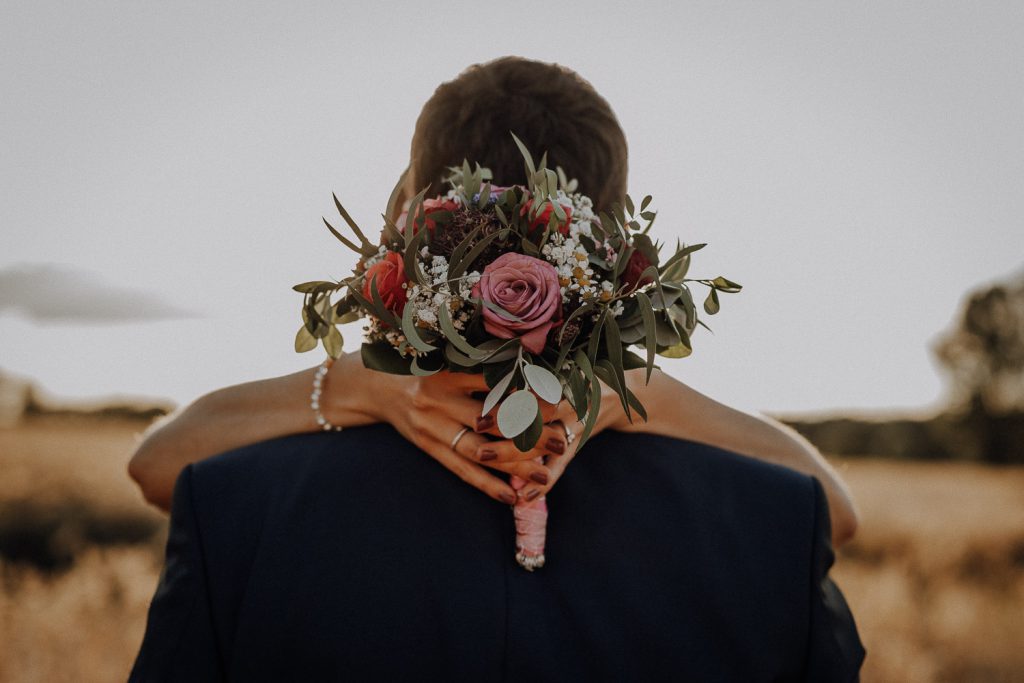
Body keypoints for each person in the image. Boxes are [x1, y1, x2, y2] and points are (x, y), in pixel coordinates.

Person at [129, 57, 865, 680]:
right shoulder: (769, 521)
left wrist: (352, 383)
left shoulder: (236, 501)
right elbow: (832, 508)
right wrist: (634, 385)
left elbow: (155, 466)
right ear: (612, 250)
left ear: (409, 223)